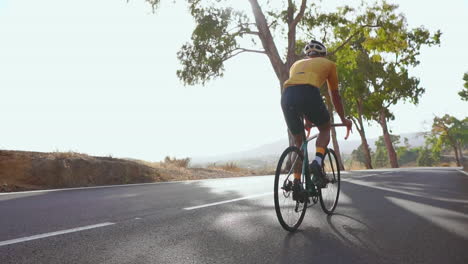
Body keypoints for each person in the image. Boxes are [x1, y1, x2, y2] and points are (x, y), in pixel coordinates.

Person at [281, 40, 352, 193]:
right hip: (309, 93)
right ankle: (317, 161)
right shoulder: (329, 64)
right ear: (323, 54)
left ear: (308, 54)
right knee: (325, 129)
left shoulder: (296, 65)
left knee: (298, 143)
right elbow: (335, 95)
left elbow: (297, 89)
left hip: (286, 96)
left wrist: (307, 120)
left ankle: (297, 183)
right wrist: (343, 119)